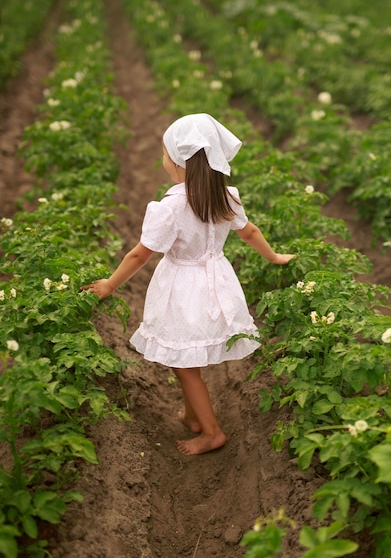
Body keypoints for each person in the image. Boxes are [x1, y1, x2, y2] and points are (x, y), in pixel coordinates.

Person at [82, 113, 295, 455]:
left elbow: (140, 255)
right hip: (216, 281)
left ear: (178, 161)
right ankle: (194, 417)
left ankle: (211, 432)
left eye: (164, 153)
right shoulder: (225, 195)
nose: (161, 159)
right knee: (186, 359)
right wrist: (274, 257)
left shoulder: (171, 206)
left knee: (182, 364)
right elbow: (249, 232)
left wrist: (109, 284)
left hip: (182, 288)